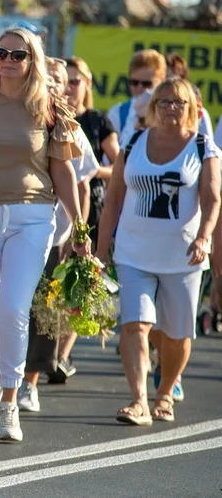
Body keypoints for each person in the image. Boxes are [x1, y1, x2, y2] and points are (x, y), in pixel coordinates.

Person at [0, 27, 88, 443]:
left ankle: (11, 405)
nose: (8, 59)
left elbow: (63, 170)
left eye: (18, 54)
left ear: (32, 59)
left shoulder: (49, 106)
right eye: (2, 52)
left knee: (12, 307)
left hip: (33, 216)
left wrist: (79, 225)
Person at [96, 77, 220, 426]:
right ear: (153, 108)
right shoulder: (133, 143)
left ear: (192, 109)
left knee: (178, 333)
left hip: (183, 257)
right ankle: (138, 401)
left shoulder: (203, 147)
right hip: (134, 253)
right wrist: (101, 250)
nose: (170, 108)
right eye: (163, 102)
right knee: (134, 324)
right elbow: (113, 202)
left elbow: (212, 201)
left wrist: (204, 238)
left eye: (178, 102)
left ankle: (165, 392)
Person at [18, 58, 100, 413]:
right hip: (13, 225)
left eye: (59, 80)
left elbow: (81, 184)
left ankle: (29, 383)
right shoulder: (15, 115)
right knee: (7, 306)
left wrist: (76, 229)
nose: (53, 84)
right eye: (46, 77)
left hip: (53, 233)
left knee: (42, 310)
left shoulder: (69, 126)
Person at [108, 50, 167, 147]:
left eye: (147, 84)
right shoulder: (117, 113)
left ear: (162, 79)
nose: (140, 88)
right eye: (134, 83)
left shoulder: (172, 113)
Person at [165, 52, 213, 137]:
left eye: (174, 81)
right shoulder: (146, 108)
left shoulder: (199, 112)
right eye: (164, 81)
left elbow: (206, 144)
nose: (169, 87)